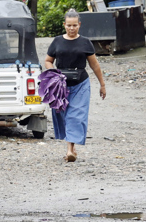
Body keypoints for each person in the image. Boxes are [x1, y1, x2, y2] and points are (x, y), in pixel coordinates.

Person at [44, 9, 107, 162]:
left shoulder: (85, 42)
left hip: (81, 84)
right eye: (69, 25)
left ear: (79, 25)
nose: (71, 29)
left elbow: (94, 65)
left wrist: (102, 84)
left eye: (74, 25)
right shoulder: (57, 41)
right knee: (63, 115)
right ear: (64, 25)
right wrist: (54, 73)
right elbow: (48, 61)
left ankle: (69, 150)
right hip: (61, 86)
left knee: (76, 116)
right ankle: (71, 147)